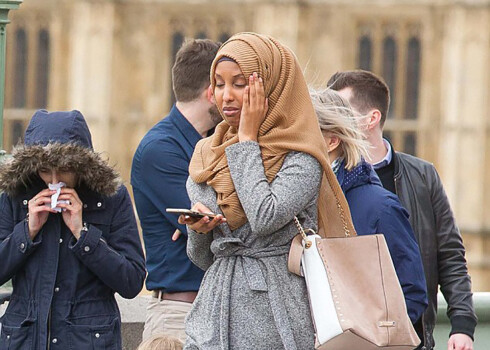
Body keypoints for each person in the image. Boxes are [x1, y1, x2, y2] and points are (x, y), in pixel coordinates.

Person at [179, 32, 340, 350]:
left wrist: (247, 140)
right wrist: (199, 230)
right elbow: (203, 257)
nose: (226, 96)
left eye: (240, 84)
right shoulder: (207, 154)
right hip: (212, 316)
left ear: (270, 86)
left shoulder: (301, 155)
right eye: (220, 84)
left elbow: (265, 216)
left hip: (274, 315)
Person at [328, 70, 477, 350]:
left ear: (371, 119)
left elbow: (449, 254)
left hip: (412, 335)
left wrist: (462, 325)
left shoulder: (422, 176)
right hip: (347, 336)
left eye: (340, 112)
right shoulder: (324, 181)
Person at [0, 109, 145, 349]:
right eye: (45, 170)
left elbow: (131, 281)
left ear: (81, 164)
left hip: (87, 340)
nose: (55, 179)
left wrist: (83, 235)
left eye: (65, 169)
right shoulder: (15, 196)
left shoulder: (111, 197)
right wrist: (27, 231)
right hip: (23, 340)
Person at [310, 88, 427, 324]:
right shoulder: (292, 204)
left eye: (302, 132)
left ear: (332, 141)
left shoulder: (381, 208)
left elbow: (411, 292)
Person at [131, 38, 221, 342]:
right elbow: (216, 227)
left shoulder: (214, 143)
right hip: (178, 317)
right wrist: (206, 220)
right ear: (212, 92)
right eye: (227, 86)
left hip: (218, 311)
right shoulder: (161, 150)